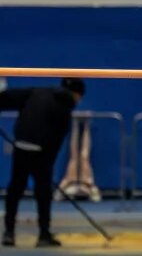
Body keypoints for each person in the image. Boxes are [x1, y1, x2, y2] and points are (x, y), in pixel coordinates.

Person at [1, 78, 85, 248]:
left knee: (15, 190)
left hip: (22, 145)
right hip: (41, 150)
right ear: (77, 94)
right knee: (43, 194)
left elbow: (6, 99)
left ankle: (8, 234)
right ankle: (43, 234)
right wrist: (48, 163)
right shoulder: (65, 105)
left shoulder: (36, 91)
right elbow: (57, 138)